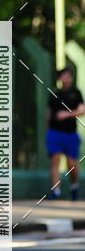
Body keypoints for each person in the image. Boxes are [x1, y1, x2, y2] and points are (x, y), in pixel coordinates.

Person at [46, 66, 84, 201]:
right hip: (55, 133)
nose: (65, 78)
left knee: (72, 163)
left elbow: (82, 110)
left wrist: (66, 115)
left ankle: (74, 187)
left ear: (71, 78)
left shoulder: (76, 93)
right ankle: (56, 191)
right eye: (63, 75)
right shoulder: (55, 93)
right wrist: (48, 128)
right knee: (55, 160)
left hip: (70, 134)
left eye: (68, 75)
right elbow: (49, 113)